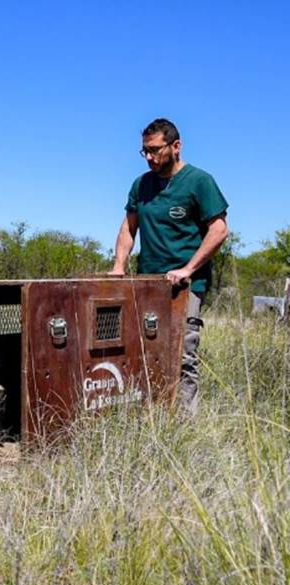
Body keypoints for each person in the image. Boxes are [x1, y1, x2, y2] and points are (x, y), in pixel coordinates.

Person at [110, 118, 229, 412]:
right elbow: (129, 226)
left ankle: (186, 425)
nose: (149, 157)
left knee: (182, 356)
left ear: (176, 147)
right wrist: (119, 266)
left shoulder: (199, 181)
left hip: (186, 286)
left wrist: (188, 269)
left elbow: (219, 230)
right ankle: (149, 415)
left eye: (155, 150)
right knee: (143, 351)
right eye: (144, 152)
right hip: (147, 284)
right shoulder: (142, 185)